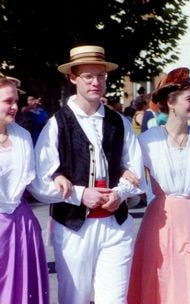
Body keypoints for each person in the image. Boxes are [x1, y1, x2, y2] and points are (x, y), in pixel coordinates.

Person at [30, 45, 146, 303]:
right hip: (74, 227)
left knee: (114, 299)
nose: (96, 82)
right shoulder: (57, 124)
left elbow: (137, 170)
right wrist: (80, 195)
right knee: (76, 298)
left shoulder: (119, 122)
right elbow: (40, 182)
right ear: (73, 78)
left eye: (101, 76)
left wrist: (120, 193)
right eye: (88, 76)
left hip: (116, 224)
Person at [128, 67, 190, 303]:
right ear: (171, 102)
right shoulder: (148, 141)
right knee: (163, 281)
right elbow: (133, 180)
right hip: (161, 221)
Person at [0, 73, 50, 303]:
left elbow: (37, 184)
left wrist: (68, 187)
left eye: (15, 101)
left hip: (21, 228)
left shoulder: (23, 136)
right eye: (7, 101)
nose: (14, 107)